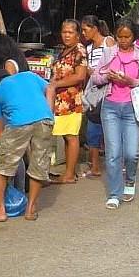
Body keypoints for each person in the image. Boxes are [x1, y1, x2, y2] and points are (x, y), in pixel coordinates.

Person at [0, 36, 54, 222]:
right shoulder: (29, 75)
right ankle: (30, 209)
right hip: (45, 119)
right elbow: (51, 87)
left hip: (20, 123)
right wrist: (50, 112)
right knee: (38, 165)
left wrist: (3, 153)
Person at [91, 20, 139, 209]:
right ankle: (114, 193)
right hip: (110, 106)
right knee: (113, 153)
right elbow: (95, 77)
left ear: (134, 36)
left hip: (131, 108)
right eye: (120, 36)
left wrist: (130, 81)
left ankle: (130, 180)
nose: (123, 40)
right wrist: (107, 77)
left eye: (127, 37)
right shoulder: (110, 53)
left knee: (131, 153)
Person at [47, 20, 89, 184]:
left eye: (70, 32)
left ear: (77, 35)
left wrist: (56, 84)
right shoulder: (64, 50)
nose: (66, 35)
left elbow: (80, 76)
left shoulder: (79, 50)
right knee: (65, 136)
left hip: (71, 101)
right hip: (59, 101)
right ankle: (68, 171)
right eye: (64, 32)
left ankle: (70, 174)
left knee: (71, 136)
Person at [80, 16, 115, 178]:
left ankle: (116, 164)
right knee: (93, 127)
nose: (83, 33)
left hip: (109, 90)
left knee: (111, 128)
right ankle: (95, 166)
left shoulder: (108, 41)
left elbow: (115, 62)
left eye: (85, 29)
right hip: (94, 91)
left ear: (95, 28)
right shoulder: (88, 49)